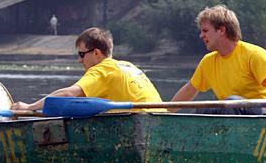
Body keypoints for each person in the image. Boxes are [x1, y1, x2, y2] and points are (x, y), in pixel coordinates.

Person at [170, 5, 266, 127]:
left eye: (205, 31)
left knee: (232, 102)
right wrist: (162, 112)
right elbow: (189, 91)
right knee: (205, 108)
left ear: (221, 30)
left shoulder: (253, 54)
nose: (201, 36)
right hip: (234, 116)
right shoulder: (208, 62)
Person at [11, 27, 165, 112]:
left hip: (139, 123)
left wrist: (30, 107)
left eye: (82, 54)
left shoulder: (102, 70)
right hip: (160, 120)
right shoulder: (129, 66)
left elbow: (67, 94)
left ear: (96, 53)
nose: (79, 60)